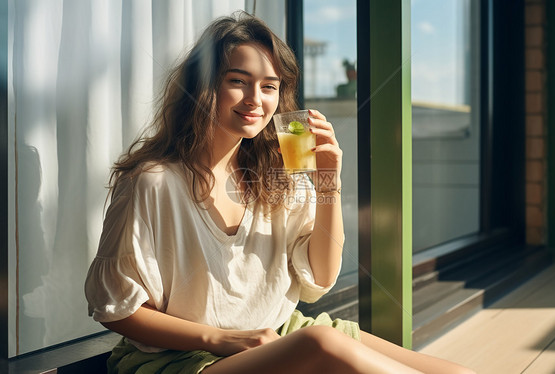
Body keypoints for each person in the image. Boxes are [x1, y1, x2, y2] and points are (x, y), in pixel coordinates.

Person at [84, 11, 475, 374]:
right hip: (184, 360)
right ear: (204, 87)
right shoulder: (153, 181)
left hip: (280, 332)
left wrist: (328, 182)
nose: (256, 100)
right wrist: (220, 338)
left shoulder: (281, 177)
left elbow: (319, 279)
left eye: (269, 86)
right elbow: (116, 309)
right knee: (322, 342)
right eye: (238, 81)